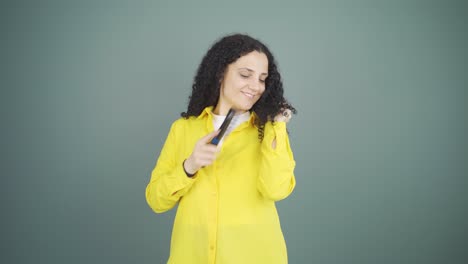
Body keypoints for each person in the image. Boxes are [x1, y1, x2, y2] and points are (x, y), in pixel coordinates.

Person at [145, 33, 297, 264]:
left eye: (262, 79)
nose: (255, 86)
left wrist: (276, 127)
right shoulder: (183, 129)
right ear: (220, 74)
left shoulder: (268, 131)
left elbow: (275, 190)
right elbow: (156, 200)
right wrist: (190, 166)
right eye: (245, 74)